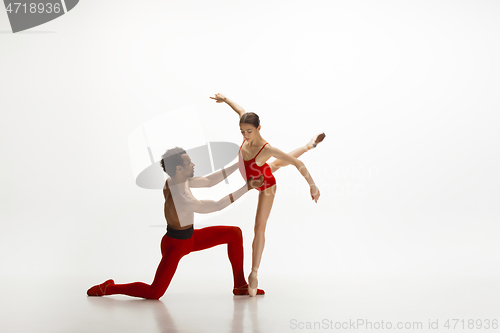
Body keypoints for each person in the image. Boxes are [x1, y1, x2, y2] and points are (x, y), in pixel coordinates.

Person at [87, 147, 265, 299]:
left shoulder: (176, 180)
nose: (193, 165)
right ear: (179, 168)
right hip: (175, 245)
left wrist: (239, 165)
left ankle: (240, 285)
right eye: (189, 163)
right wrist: (246, 187)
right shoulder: (181, 197)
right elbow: (217, 205)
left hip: (190, 239)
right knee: (154, 293)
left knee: (234, 233)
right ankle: (108, 288)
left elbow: (210, 181)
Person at [210, 93, 325, 296]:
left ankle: (254, 273)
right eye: (242, 131)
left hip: (265, 185)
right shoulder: (247, 129)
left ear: (259, 128)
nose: (245, 135)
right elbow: (240, 110)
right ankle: (309, 145)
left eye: (249, 131)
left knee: (259, 226)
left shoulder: (266, 149)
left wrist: (313, 186)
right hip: (258, 172)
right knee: (275, 164)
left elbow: (298, 164)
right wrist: (226, 100)